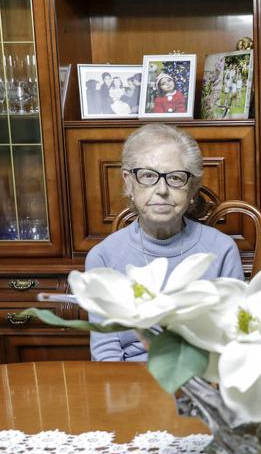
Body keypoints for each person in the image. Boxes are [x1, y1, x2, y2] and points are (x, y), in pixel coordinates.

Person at [87, 124, 244, 361]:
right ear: (129, 183)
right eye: (148, 176)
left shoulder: (221, 250)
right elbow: (106, 353)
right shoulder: (103, 258)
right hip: (131, 383)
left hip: (202, 379)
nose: (162, 190)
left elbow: (233, 342)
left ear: (191, 189)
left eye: (175, 178)